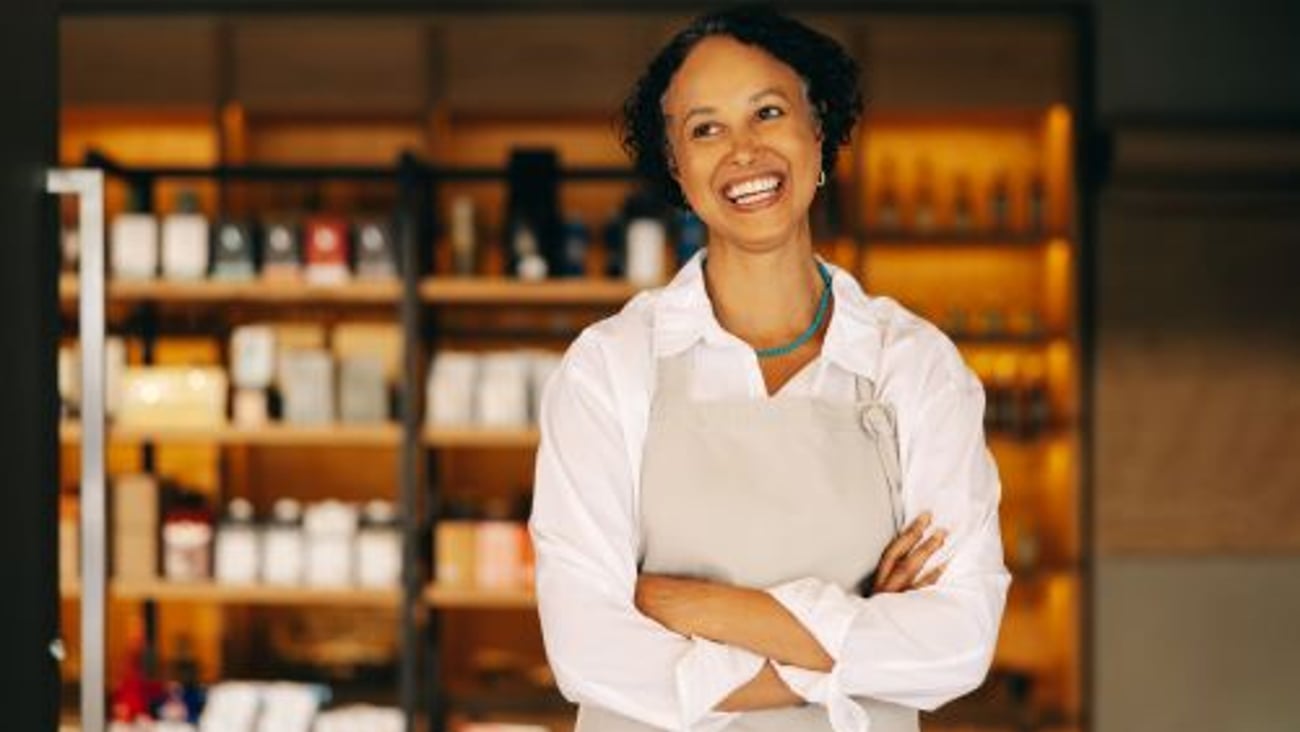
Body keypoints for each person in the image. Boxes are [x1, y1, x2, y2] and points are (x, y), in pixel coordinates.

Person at [528, 6, 1011, 732]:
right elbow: (588, 651)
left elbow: (959, 643)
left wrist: (697, 607)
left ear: (820, 134)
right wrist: (855, 636)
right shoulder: (610, 368)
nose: (743, 150)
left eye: (769, 111)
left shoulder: (914, 367)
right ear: (677, 170)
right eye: (705, 128)